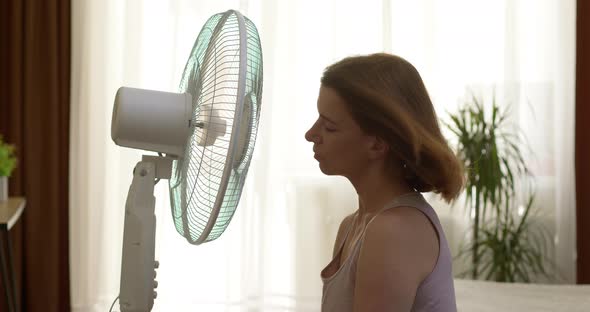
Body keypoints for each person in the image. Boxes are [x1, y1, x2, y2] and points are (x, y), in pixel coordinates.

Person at [304, 53, 464, 312]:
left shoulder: (395, 230)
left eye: (329, 127)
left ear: (377, 143)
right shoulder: (351, 226)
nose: (310, 134)